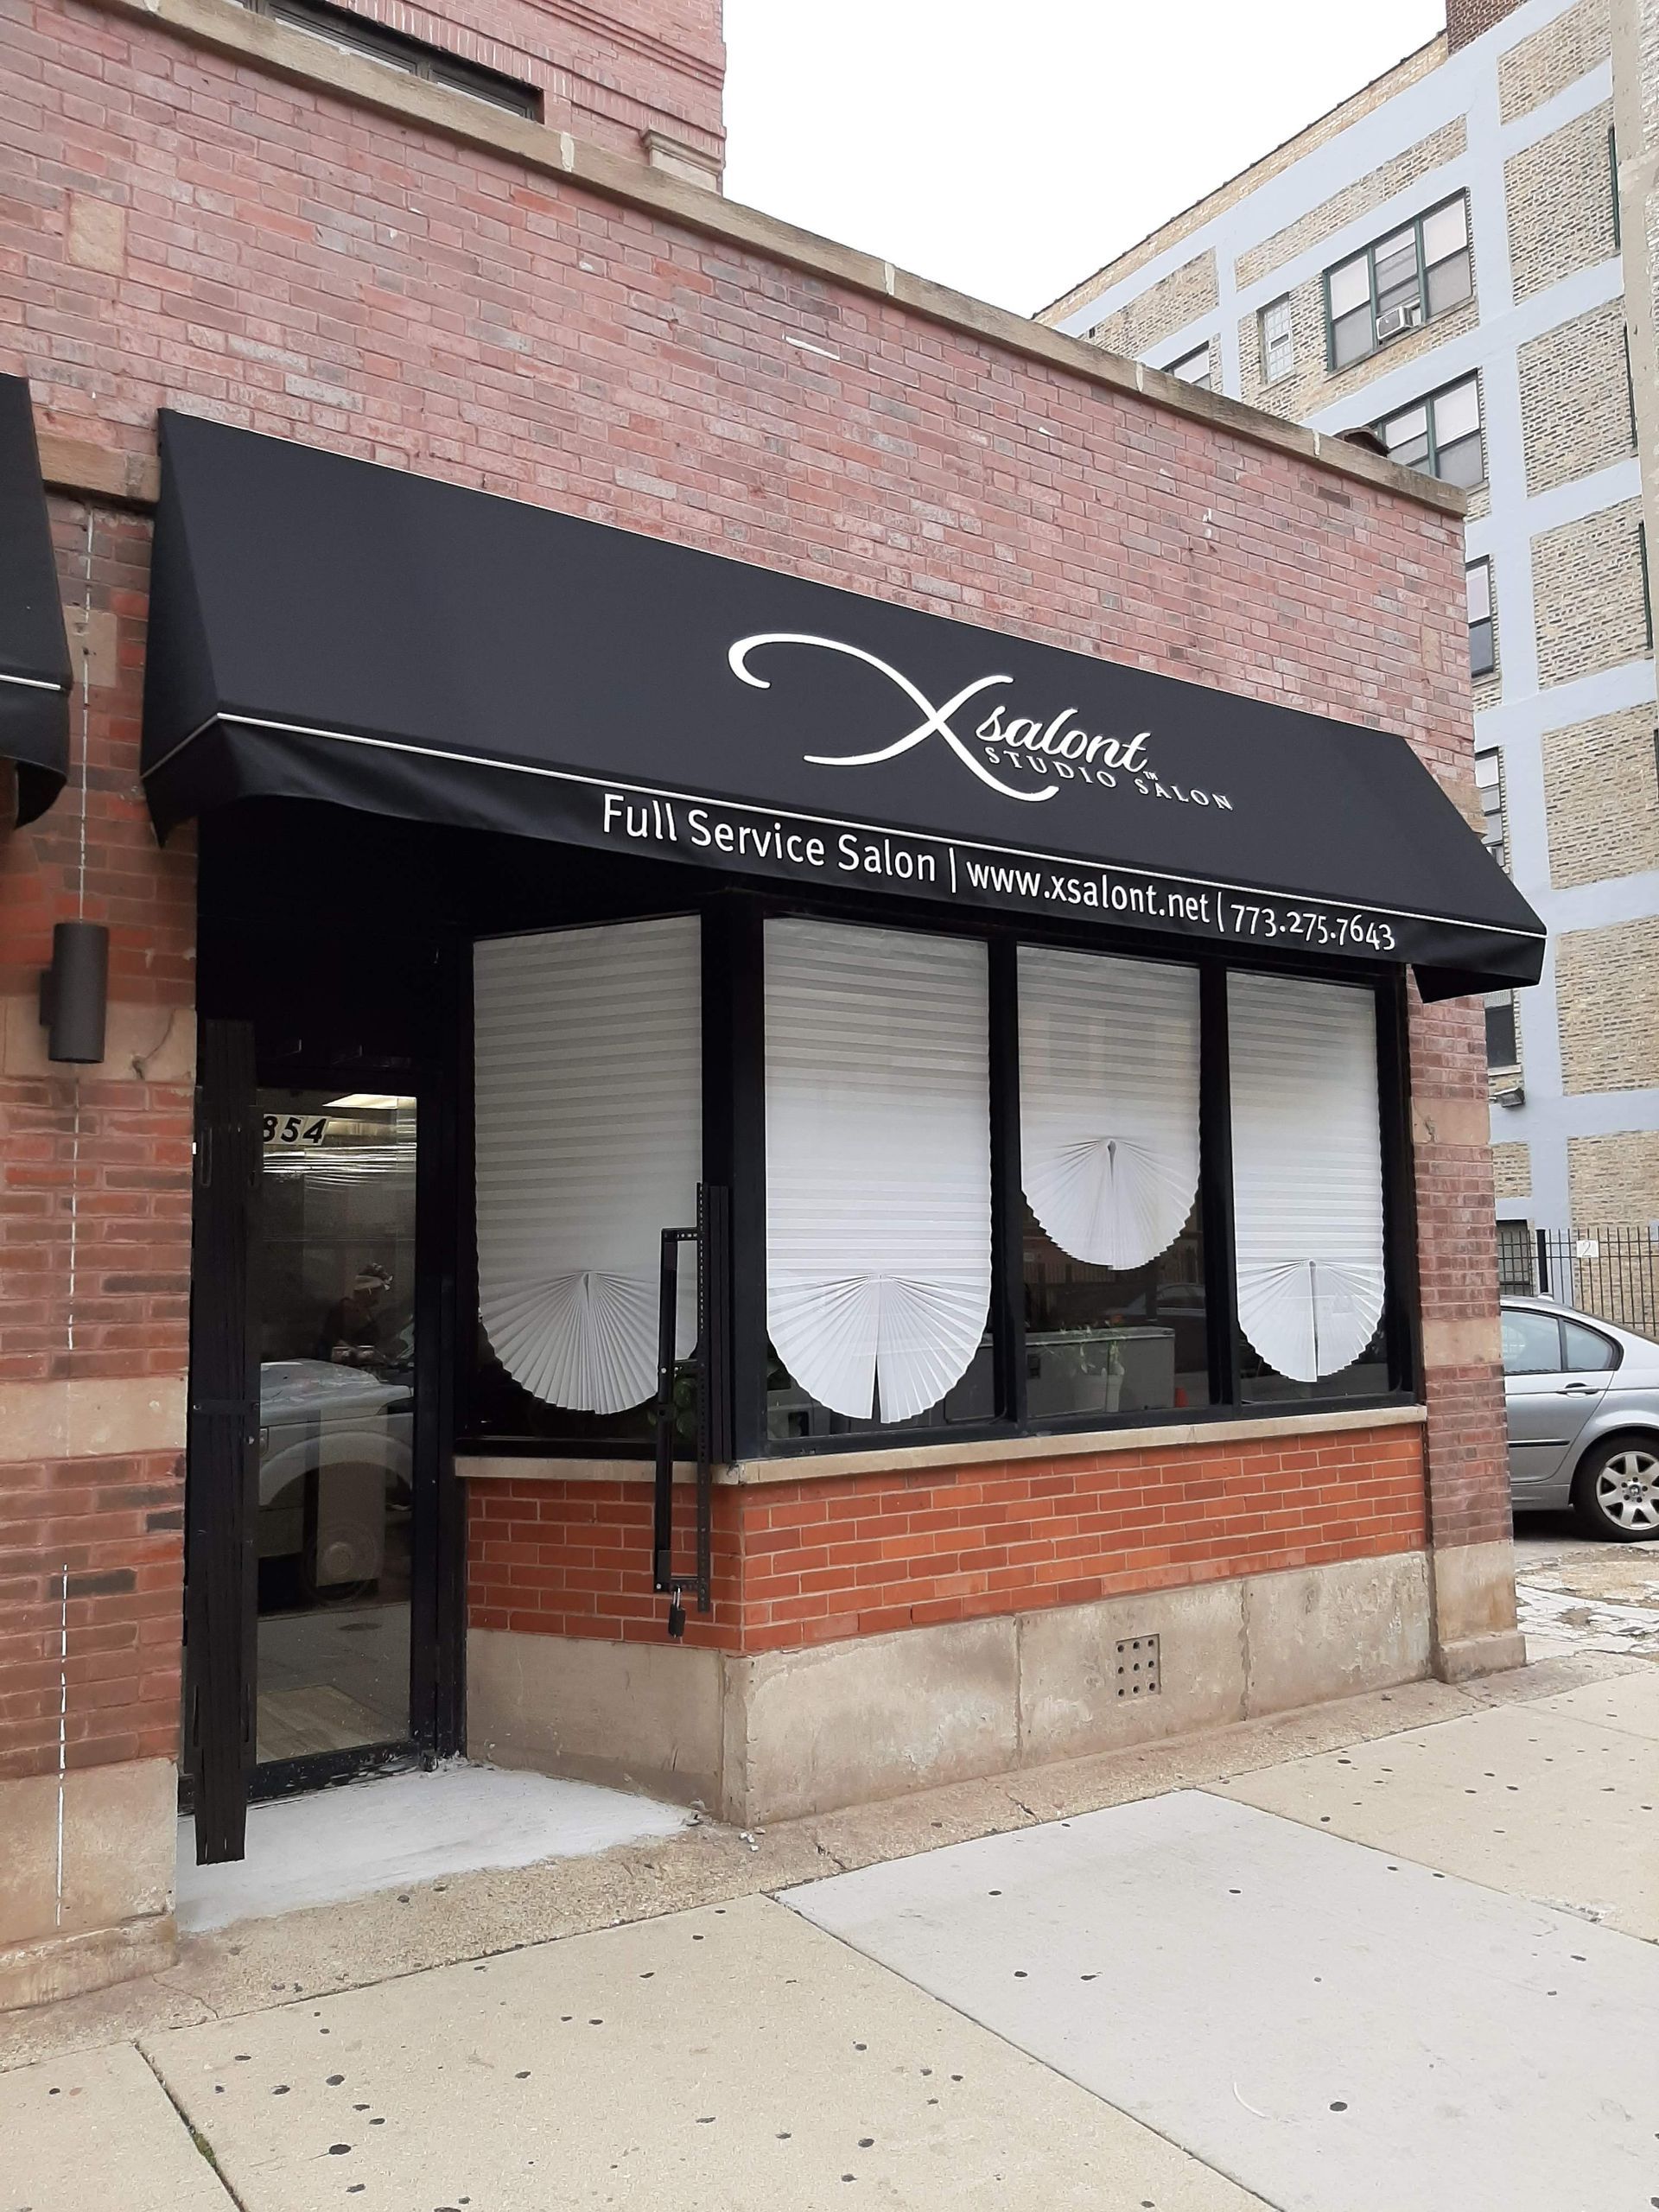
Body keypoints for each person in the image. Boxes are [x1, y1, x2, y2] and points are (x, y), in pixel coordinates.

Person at [316, 1262, 393, 1368]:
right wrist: (355, 1352)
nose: (379, 1297)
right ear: (369, 1291)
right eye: (378, 1292)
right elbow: (331, 1336)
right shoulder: (345, 1309)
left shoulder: (367, 1312)